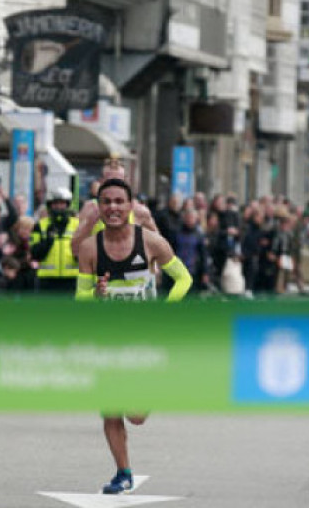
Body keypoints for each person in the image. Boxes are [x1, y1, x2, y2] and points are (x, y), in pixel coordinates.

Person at [75, 178, 192, 494]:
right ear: (99, 208)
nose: (112, 207)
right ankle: (123, 472)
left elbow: (183, 279)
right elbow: (81, 300)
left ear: (130, 206)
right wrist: (97, 295)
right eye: (106, 202)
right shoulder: (89, 249)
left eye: (118, 201)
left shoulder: (151, 242)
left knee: (137, 416)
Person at [71, 157, 157, 258]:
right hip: (99, 271)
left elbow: (159, 247)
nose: (114, 186)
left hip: (128, 271)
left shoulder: (139, 210)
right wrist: (90, 224)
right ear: (101, 181)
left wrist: (154, 267)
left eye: (118, 181)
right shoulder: (90, 208)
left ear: (126, 181)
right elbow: (75, 250)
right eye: (110, 181)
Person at [31, 187, 79, 294]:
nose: (58, 207)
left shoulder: (78, 225)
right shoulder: (40, 225)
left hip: (72, 278)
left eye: (62, 203)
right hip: (47, 279)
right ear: (49, 205)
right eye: (55, 203)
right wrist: (48, 240)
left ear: (68, 205)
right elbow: (34, 253)